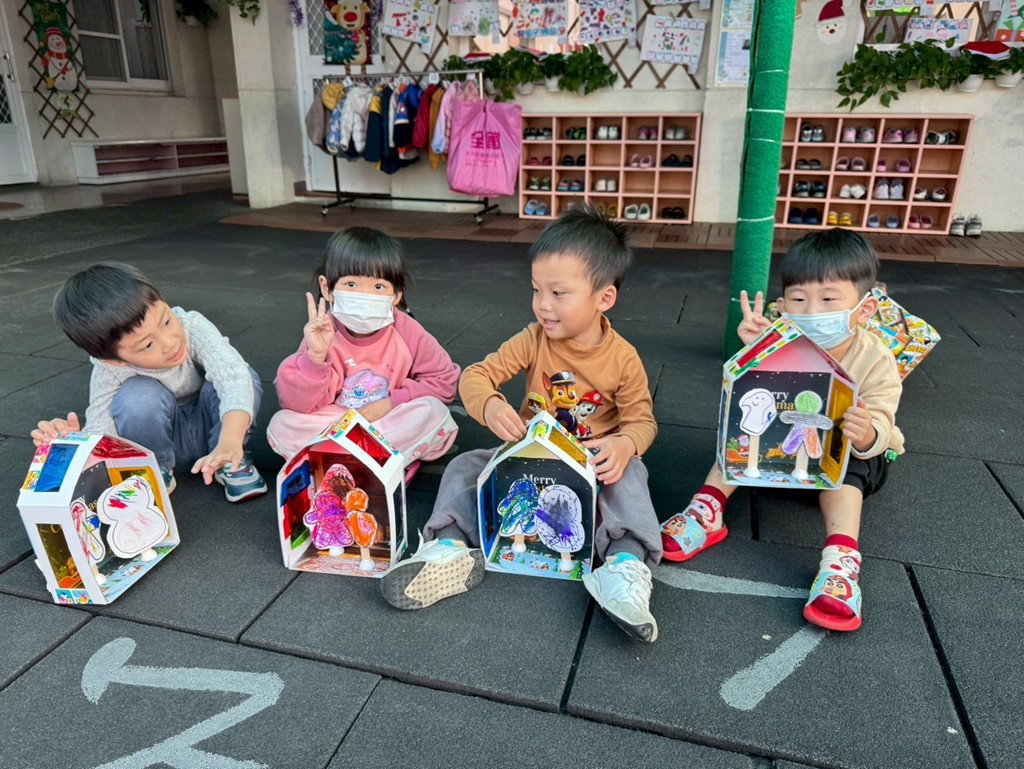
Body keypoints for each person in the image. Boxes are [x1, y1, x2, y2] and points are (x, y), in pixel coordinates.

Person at [379, 204, 664, 643]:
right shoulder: (533, 338)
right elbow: (476, 375)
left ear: (604, 298)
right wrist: (491, 405)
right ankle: (448, 548)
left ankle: (625, 567)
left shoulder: (623, 359)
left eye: (558, 293)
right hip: (528, 461)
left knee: (631, 476)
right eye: (536, 290)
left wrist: (625, 445)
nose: (543, 305)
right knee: (467, 465)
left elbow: (642, 421)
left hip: (589, 467)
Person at [659, 228, 904, 632]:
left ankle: (840, 562)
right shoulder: (781, 340)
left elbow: (882, 421)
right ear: (782, 305)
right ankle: (706, 511)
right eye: (799, 300)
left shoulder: (874, 358)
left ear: (863, 309)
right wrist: (753, 352)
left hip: (846, 456)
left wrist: (866, 432)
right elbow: (748, 397)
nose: (812, 312)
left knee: (852, 464)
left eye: (828, 300)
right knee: (741, 429)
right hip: (783, 456)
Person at [31, 262, 267, 502]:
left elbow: (233, 378)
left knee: (244, 375)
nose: (170, 343)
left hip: (219, 427)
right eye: (148, 345)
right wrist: (72, 445)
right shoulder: (108, 369)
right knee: (137, 395)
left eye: (166, 321)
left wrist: (230, 441)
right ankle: (155, 470)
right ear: (115, 361)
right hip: (164, 439)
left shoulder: (192, 326)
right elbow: (101, 423)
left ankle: (230, 460)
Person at [268, 227, 459, 476]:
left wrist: (390, 403)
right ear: (327, 288)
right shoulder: (322, 333)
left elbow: (444, 381)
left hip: (387, 418)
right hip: (339, 422)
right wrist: (315, 357)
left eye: (378, 286)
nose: (365, 295)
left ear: (396, 295)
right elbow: (297, 404)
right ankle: (380, 462)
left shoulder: (406, 330)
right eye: (351, 284)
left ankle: (339, 463)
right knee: (282, 424)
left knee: (434, 412)